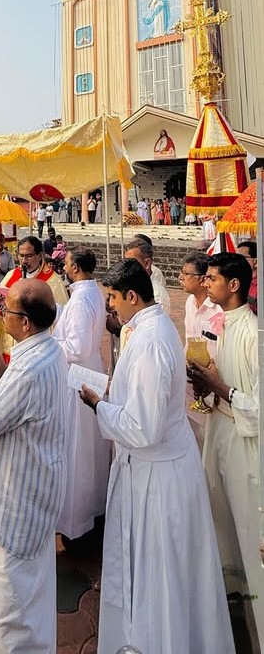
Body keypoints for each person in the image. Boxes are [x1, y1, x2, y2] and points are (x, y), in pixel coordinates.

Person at [80, 259, 235, 654]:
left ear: (132, 296)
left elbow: (142, 429)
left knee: (160, 574)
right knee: (162, 572)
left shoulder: (149, 342)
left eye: (113, 298)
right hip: (162, 465)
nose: (110, 306)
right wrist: (116, 394)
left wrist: (99, 405)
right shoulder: (151, 326)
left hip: (157, 478)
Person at [0, 279, 67, 654]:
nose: (0, 313)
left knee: (7, 619)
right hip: (35, 501)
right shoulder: (49, 350)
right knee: (29, 605)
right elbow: (19, 404)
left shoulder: (27, 371)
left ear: (24, 322)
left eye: (5, 309)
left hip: (12, 512)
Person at [189, 253, 263, 648]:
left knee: (247, 530)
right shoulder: (222, 324)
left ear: (234, 285)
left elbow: (258, 407)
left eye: (212, 278)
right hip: (219, 431)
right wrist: (206, 385)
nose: (206, 283)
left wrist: (220, 388)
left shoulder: (252, 332)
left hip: (243, 444)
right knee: (220, 522)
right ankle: (232, 608)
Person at [54, 247, 110, 542]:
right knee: (90, 447)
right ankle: (92, 508)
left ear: (75, 267)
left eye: (66, 262)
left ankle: (76, 518)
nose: (63, 266)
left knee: (78, 449)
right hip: (89, 371)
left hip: (78, 378)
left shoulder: (81, 299)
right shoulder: (90, 293)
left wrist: (48, 343)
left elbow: (76, 348)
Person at [0, 236, 68, 361]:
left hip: (39, 346)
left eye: (29, 256)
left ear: (40, 255)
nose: (24, 261)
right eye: (21, 256)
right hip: (12, 344)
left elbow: (61, 318)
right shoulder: (12, 275)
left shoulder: (52, 281)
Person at [124, 238, 170, 314]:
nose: (126, 267)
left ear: (147, 263)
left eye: (132, 262)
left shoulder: (157, 295)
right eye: (126, 262)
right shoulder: (131, 285)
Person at [236, 240, 257, 315]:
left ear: (255, 261)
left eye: (241, 257)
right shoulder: (238, 281)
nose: (237, 261)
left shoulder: (260, 286)